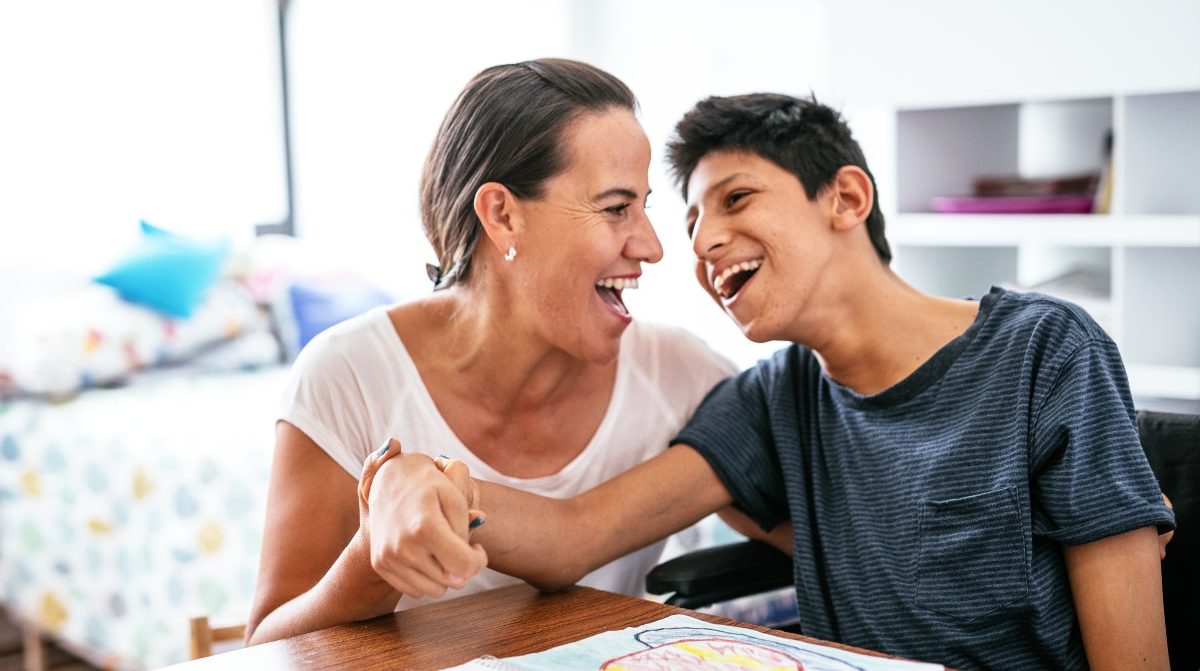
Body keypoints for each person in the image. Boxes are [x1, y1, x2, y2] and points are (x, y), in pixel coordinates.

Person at [363, 93, 1176, 670]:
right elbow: (574, 534)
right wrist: (416, 480)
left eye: (736, 198)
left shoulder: (1045, 351)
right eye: (689, 223)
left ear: (846, 197)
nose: (703, 241)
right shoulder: (774, 396)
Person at [243, 58, 742, 645]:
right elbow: (267, 650)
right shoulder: (346, 376)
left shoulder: (679, 373)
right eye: (615, 208)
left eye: (644, 206)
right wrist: (372, 553)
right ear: (502, 215)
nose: (653, 247)